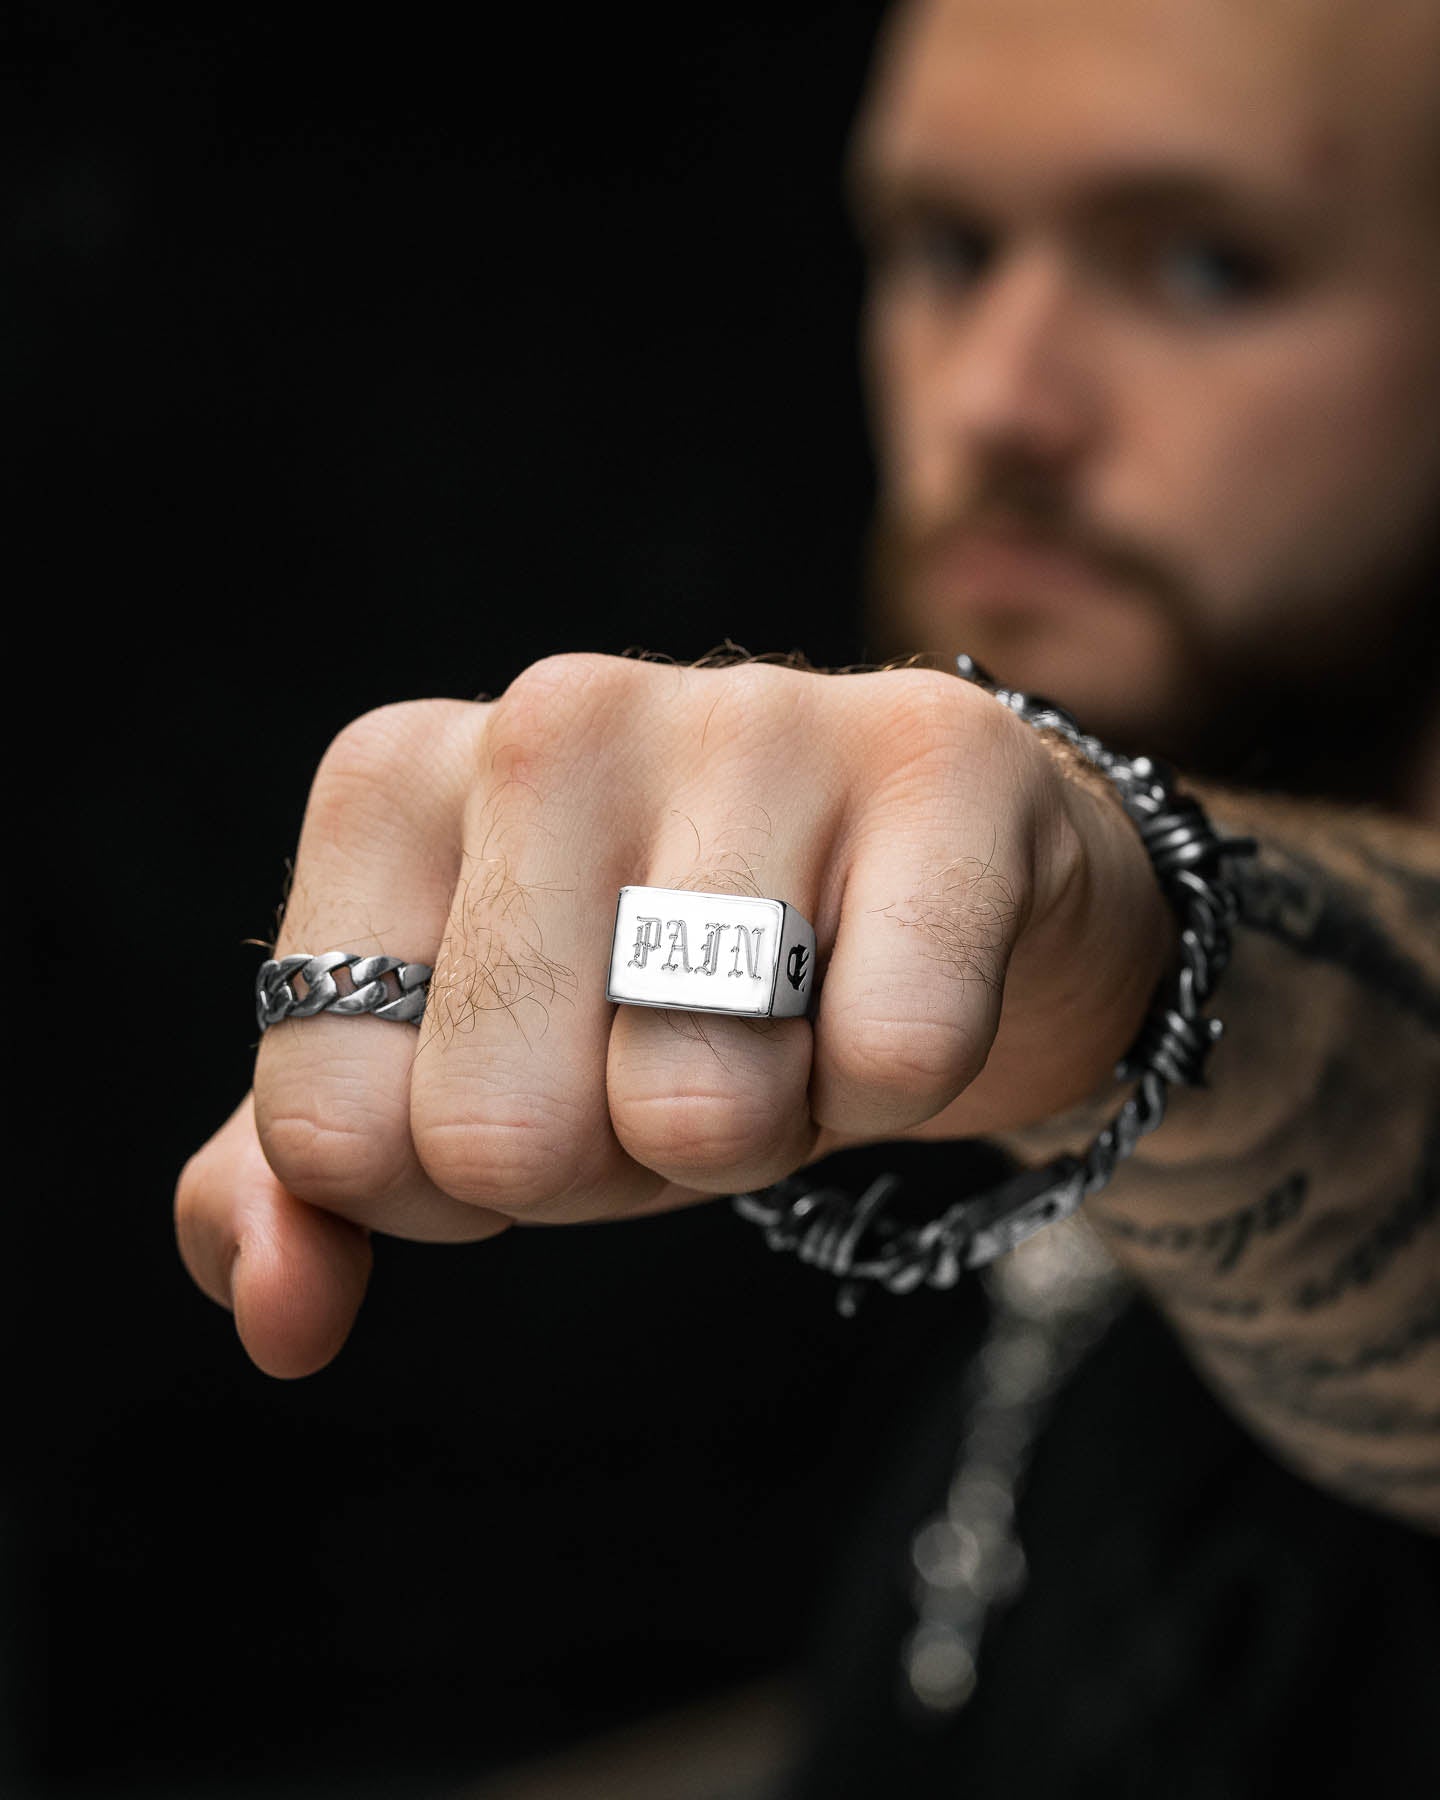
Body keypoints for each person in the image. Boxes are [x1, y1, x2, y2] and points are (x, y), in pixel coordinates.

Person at [177, 0, 1438, 1789]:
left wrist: (1132, 943)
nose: (998, 398)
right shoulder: (884, 1142)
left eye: (1207, 266)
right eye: (947, 249)